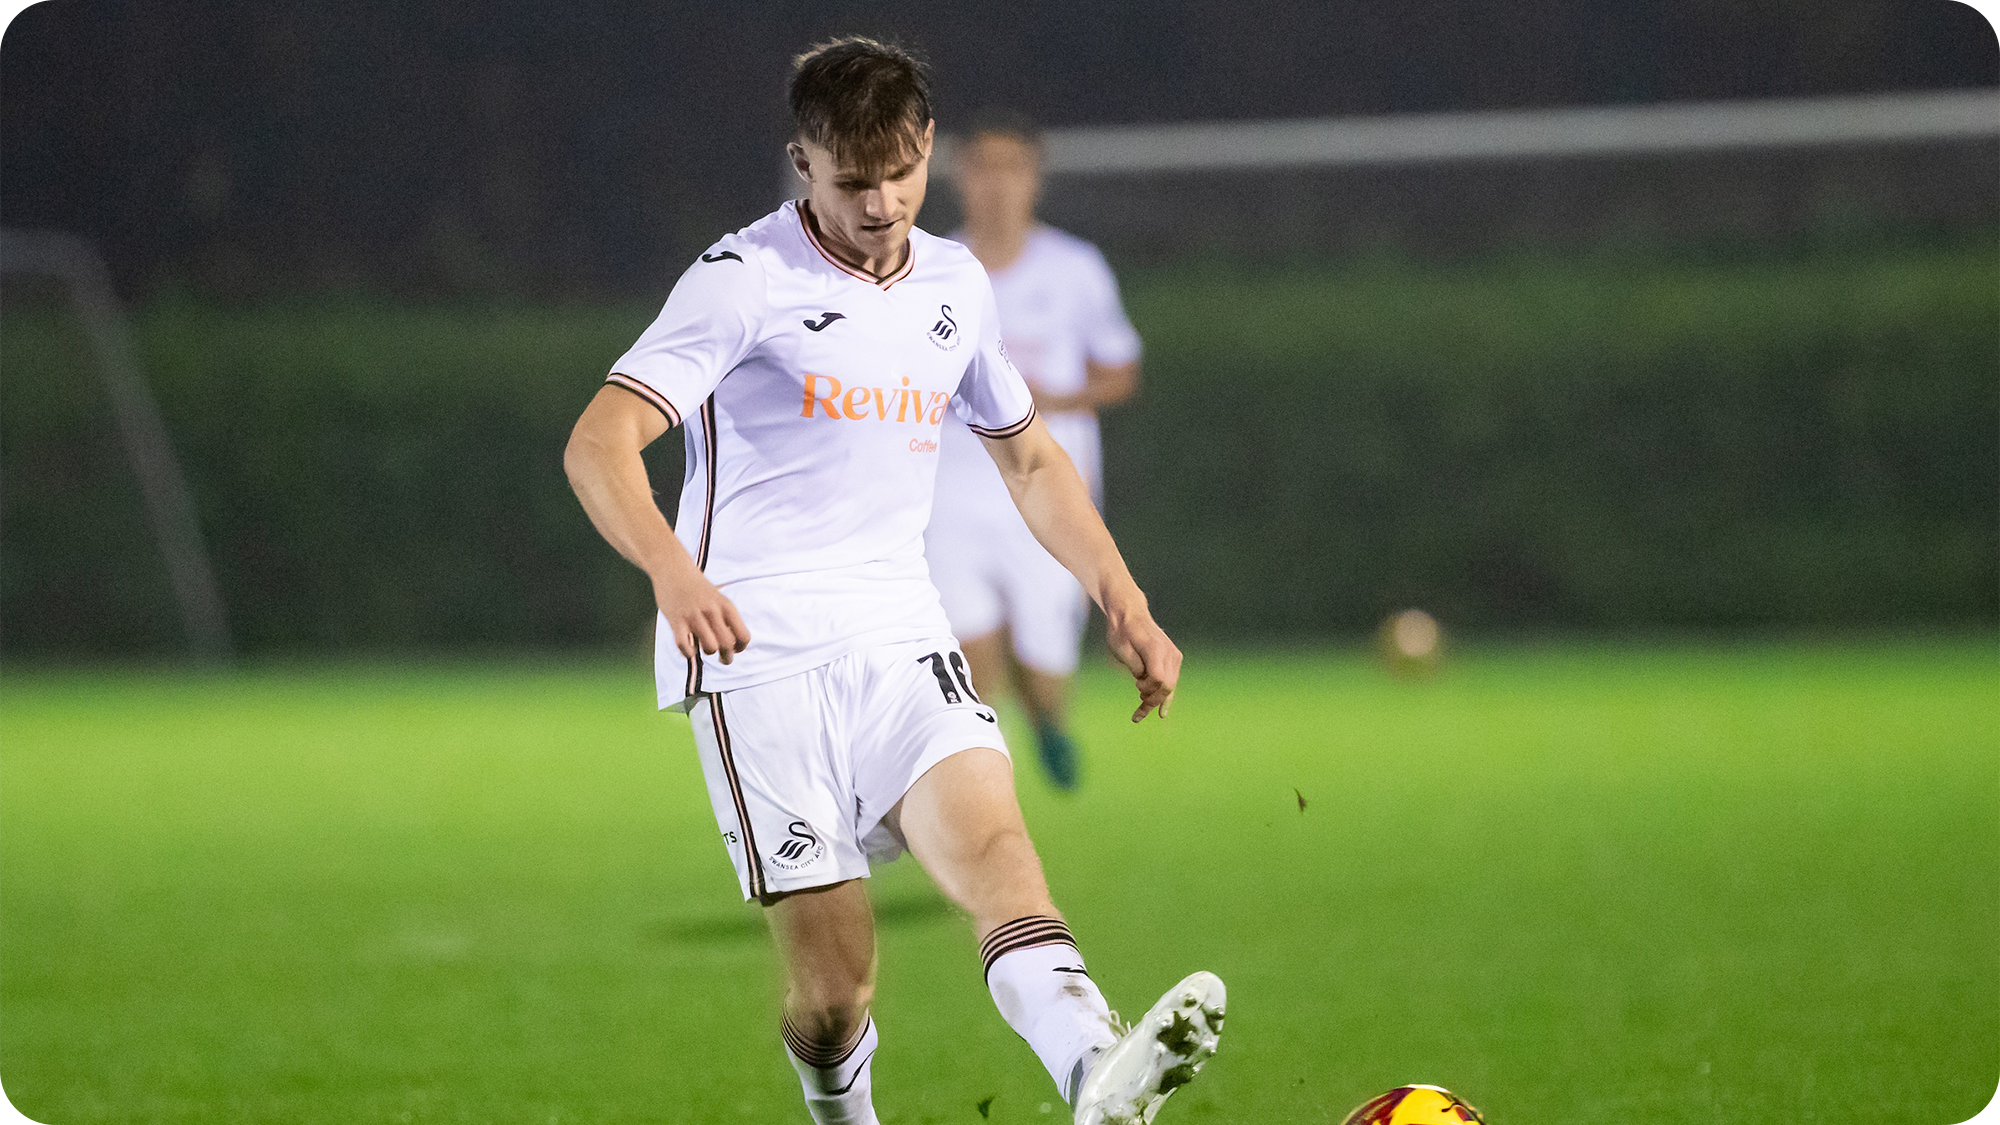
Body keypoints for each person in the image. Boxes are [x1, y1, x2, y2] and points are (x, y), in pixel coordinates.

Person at [562, 36, 1223, 1125]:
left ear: (927, 152)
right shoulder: (745, 281)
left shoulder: (955, 282)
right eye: (851, 182)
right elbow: (599, 443)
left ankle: (1093, 1073)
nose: (879, 204)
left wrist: (1123, 595)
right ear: (802, 163)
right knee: (834, 996)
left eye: (899, 175)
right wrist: (673, 575)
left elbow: (1027, 454)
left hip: (900, 634)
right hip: (756, 655)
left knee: (1004, 860)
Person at [927, 113, 1142, 791]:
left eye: (1011, 167)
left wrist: (1050, 397)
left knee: (1043, 668)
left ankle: (1046, 719)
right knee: (968, 659)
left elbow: (1120, 370)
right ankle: (977, 805)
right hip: (952, 494)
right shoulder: (932, 267)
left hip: (1048, 492)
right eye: (982, 166)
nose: (996, 184)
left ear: (1034, 179)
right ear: (960, 176)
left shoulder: (1075, 269)